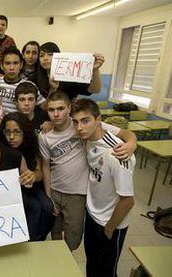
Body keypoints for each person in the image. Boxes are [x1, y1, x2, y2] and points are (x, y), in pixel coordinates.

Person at [39, 91, 137, 251]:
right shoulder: (46, 135)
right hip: (56, 190)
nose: (56, 114)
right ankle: (58, 259)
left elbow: (124, 133)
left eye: (61, 108)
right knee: (55, 231)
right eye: (51, 110)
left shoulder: (83, 123)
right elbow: (45, 166)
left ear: (69, 108)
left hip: (78, 194)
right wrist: (49, 197)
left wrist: (132, 142)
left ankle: (68, 259)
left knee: (73, 236)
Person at [71, 99, 135, 277]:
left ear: (99, 120)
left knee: (106, 272)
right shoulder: (90, 137)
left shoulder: (117, 153)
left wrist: (109, 229)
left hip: (111, 223)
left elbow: (128, 201)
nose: (79, 127)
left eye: (85, 121)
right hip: (93, 215)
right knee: (92, 264)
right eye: (75, 122)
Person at [0, 112, 54, 241]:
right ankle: (29, 241)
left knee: (47, 206)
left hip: (29, 185)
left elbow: (40, 172)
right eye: (7, 132)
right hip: (8, 190)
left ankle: (39, 239)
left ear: (25, 132)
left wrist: (33, 175)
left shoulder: (32, 143)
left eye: (17, 132)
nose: (12, 137)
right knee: (34, 206)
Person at [35, 42, 105, 100]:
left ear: (58, 56)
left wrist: (95, 70)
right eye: (41, 55)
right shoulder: (36, 77)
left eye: (50, 55)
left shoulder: (69, 75)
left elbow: (94, 90)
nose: (45, 58)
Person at [0, 46, 46, 114]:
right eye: (7, 63)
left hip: (20, 123)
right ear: (1, 66)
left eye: (15, 63)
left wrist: (53, 88)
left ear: (21, 65)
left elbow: (45, 106)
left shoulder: (29, 86)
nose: (11, 68)